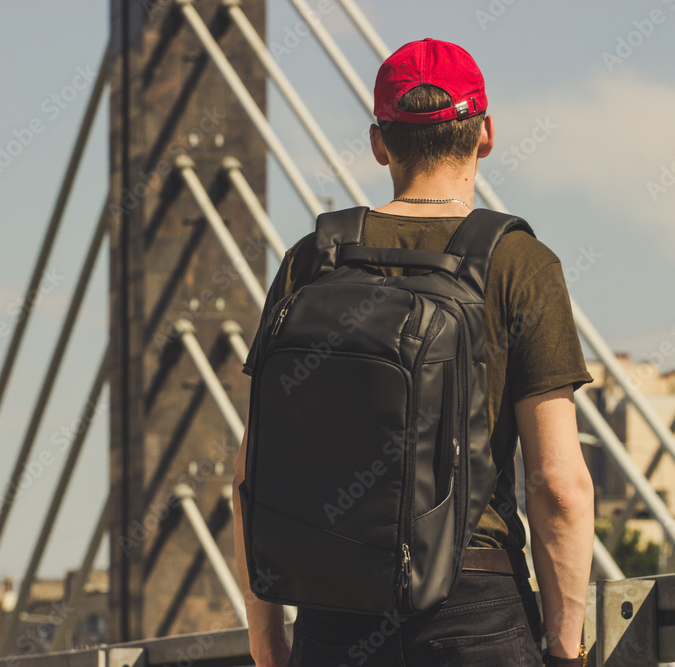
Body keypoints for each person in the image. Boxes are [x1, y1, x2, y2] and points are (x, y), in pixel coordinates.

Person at [232, 37, 594, 667]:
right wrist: (566, 648)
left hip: (332, 612)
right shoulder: (517, 263)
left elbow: (249, 477)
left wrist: (267, 637)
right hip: (473, 607)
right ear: (484, 134)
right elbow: (558, 486)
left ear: (379, 143)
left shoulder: (311, 261)